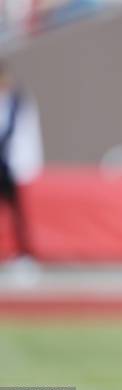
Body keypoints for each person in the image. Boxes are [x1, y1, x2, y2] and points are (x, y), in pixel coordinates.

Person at [0, 62, 43, 260]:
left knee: (20, 213)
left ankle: (25, 255)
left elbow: (20, 134)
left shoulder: (18, 101)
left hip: (12, 166)